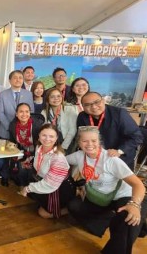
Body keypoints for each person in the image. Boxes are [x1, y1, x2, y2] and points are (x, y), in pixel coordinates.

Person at [66, 126, 147, 254]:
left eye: (93, 140)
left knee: (129, 219)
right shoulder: (79, 156)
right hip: (99, 198)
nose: (89, 144)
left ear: (99, 141)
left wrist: (135, 204)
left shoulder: (111, 159)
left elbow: (138, 185)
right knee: (74, 206)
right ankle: (111, 220)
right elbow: (60, 161)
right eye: (84, 141)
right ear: (79, 143)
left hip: (123, 196)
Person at [19, 124, 75, 219]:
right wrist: (28, 161)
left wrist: (28, 188)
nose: (47, 139)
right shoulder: (39, 147)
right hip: (45, 180)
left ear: (56, 138)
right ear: (39, 136)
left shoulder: (57, 158)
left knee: (43, 213)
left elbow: (50, 185)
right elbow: (39, 161)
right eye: (44, 135)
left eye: (51, 136)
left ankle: (69, 209)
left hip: (59, 189)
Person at [77, 91, 143, 169]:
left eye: (97, 102)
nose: (94, 107)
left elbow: (137, 137)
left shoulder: (119, 114)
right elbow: (81, 137)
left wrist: (119, 151)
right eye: (88, 105)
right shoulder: (82, 116)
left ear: (103, 101)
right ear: (83, 107)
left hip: (119, 158)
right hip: (94, 159)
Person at [7, 103, 44, 187]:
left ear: (30, 113)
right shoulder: (13, 125)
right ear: (16, 114)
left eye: (27, 111)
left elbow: (42, 142)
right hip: (20, 151)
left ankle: (31, 188)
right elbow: (12, 140)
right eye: (21, 112)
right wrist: (11, 146)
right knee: (20, 168)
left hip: (35, 151)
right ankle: (22, 186)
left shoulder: (37, 124)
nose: (24, 114)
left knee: (31, 169)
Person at [0, 70, 34, 139]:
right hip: (6, 131)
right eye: (15, 78)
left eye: (20, 78)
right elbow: (0, 113)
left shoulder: (28, 94)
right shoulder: (2, 95)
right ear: (10, 80)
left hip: (24, 132)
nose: (18, 80)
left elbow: (31, 111)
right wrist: (10, 127)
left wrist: (23, 127)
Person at [41, 88, 78, 153]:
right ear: (47, 99)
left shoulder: (70, 109)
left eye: (58, 96)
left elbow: (72, 130)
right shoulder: (44, 112)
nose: (56, 99)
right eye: (52, 97)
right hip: (50, 142)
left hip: (67, 142)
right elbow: (44, 131)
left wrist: (63, 147)